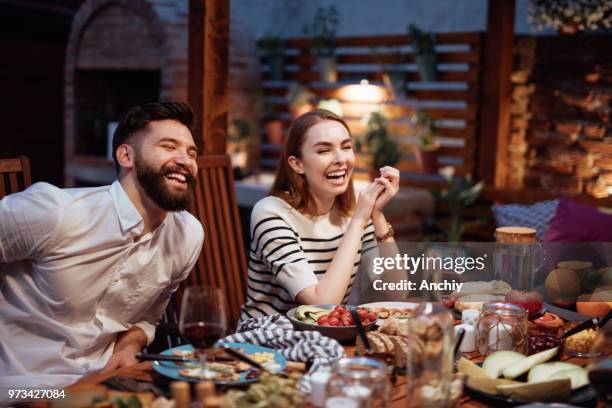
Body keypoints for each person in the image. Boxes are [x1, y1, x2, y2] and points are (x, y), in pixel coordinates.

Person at [0, 102, 204, 392]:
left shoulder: (188, 235)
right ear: (126, 156)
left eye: (192, 152)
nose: (186, 160)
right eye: (169, 146)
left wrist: (127, 347)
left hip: (105, 386)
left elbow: (147, 318)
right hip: (24, 389)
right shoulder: (56, 213)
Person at [239, 109, 400, 323]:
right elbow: (323, 304)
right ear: (297, 164)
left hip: (327, 337)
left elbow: (396, 292)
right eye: (324, 150)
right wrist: (360, 220)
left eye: (346, 147)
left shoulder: (355, 213)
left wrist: (377, 215)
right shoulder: (270, 213)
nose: (341, 159)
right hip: (269, 338)